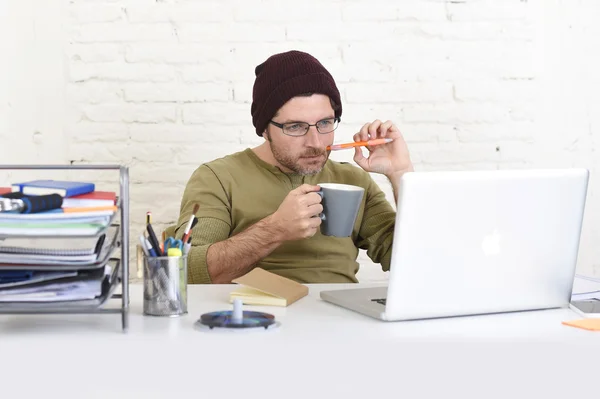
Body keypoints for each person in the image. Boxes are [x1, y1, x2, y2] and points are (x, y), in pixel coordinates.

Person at [172, 50, 414, 284]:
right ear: (265, 128)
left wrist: (400, 173)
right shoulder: (218, 178)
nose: (316, 143)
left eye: (325, 123)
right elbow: (186, 271)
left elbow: (416, 263)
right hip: (255, 317)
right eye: (295, 127)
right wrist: (274, 230)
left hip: (339, 319)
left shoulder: (352, 180)